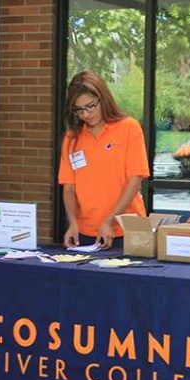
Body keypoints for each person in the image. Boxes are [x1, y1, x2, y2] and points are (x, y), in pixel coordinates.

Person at [58, 71, 149, 249]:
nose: (86, 114)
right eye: (79, 110)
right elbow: (68, 187)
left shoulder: (129, 128)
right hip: (86, 233)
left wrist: (109, 221)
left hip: (127, 230)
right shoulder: (72, 138)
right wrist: (73, 223)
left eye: (91, 106)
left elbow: (135, 181)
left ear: (103, 99)